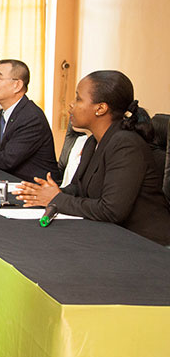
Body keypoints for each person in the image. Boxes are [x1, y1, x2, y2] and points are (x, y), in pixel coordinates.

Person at [14, 71, 170, 245]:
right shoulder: (92, 142)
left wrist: (56, 198)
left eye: (78, 99)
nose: (71, 105)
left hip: (148, 245)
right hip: (110, 236)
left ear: (101, 108)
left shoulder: (126, 145)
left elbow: (111, 210)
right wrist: (45, 193)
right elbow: (78, 189)